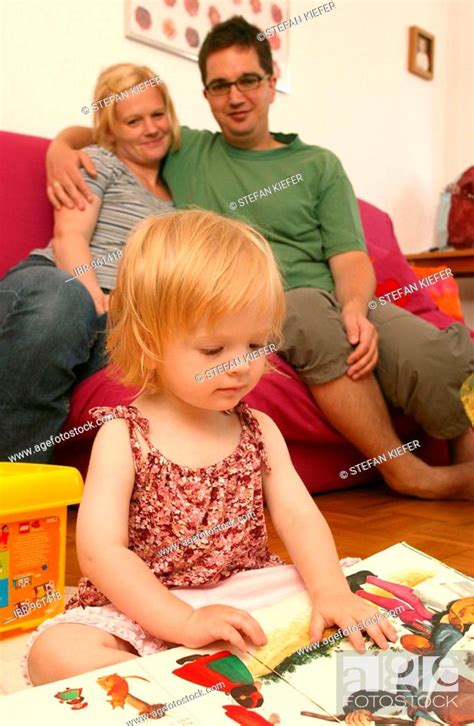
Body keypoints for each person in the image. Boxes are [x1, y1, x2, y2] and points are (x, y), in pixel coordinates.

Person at [45, 17, 474, 501]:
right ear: (207, 95)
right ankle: (405, 472)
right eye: (220, 85)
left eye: (248, 80)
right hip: (271, 302)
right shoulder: (189, 151)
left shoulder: (319, 164)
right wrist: (61, 146)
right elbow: (114, 126)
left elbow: (350, 257)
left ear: (271, 84)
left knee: (437, 351)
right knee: (309, 312)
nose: (236, 96)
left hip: (341, 297)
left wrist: (355, 307)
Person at [25, 209, 397, 686]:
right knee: (56, 655)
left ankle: (214, 676)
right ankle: (178, 683)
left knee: (362, 595)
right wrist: (182, 622)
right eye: (213, 350)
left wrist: (330, 592)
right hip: (148, 602)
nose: (241, 366)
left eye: (256, 344)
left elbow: (299, 515)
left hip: (245, 592)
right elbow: (102, 552)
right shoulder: (123, 434)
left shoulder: (259, 428)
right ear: (149, 340)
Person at [0, 63, 177, 463]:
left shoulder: (176, 193)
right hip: (57, 281)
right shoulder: (99, 161)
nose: (150, 128)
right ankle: (11, 487)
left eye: (157, 114)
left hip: (116, 320)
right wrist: (96, 295)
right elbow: (70, 237)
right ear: (111, 129)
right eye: (133, 120)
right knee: (66, 303)